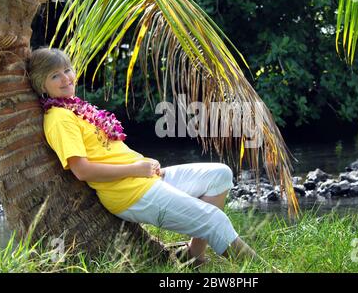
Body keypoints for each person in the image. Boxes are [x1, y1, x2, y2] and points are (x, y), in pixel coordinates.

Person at [26, 47, 261, 268]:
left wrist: (143, 165)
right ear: (42, 85)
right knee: (215, 220)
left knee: (220, 174)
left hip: (145, 179)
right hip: (129, 194)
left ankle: (194, 257)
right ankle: (261, 269)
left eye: (67, 70)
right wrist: (136, 169)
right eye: (55, 76)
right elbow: (82, 170)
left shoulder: (75, 109)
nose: (66, 78)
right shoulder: (58, 118)